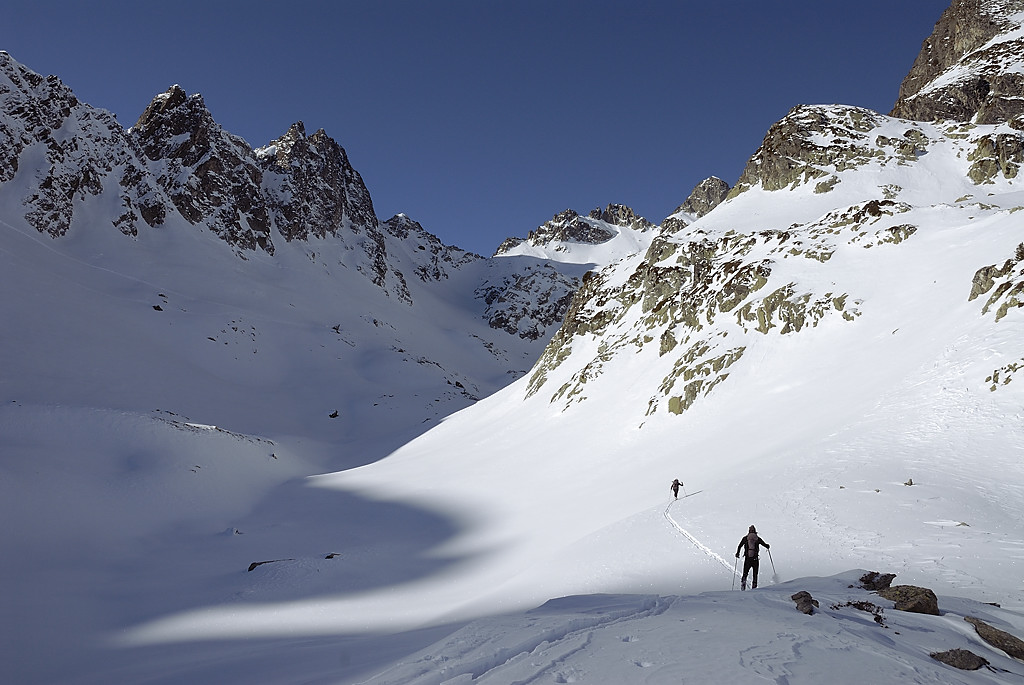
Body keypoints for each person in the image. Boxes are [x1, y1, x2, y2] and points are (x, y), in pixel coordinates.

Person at [735, 525, 770, 590]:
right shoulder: (757, 538)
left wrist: (737, 553)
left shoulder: (745, 538)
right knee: (755, 574)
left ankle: (743, 586)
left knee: (745, 573)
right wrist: (767, 546)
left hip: (748, 558)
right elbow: (765, 545)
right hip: (755, 559)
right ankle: (754, 587)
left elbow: (739, 546)